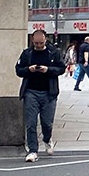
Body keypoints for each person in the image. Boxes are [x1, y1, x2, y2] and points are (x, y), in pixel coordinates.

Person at [16, 29, 61, 162]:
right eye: (36, 43)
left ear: (45, 39)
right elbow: (18, 70)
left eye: (41, 43)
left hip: (49, 93)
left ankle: (47, 139)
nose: (39, 45)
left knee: (47, 123)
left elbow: (61, 68)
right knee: (31, 123)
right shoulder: (27, 54)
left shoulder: (53, 53)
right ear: (32, 40)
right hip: (31, 92)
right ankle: (33, 150)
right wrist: (28, 69)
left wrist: (48, 70)